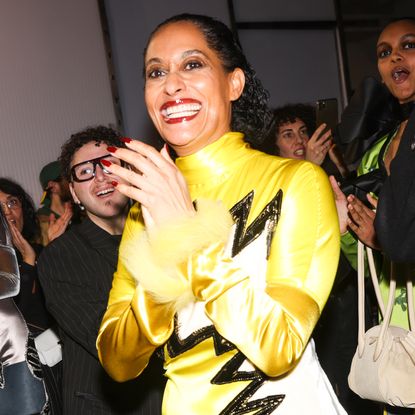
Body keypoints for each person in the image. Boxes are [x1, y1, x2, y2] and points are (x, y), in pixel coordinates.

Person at [97, 14, 345, 414]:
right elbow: (117, 361)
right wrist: (166, 258)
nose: (172, 84)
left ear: (234, 83)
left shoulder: (297, 181)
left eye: (192, 65)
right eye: (156, 72)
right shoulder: (146, 207)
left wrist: (186, 235)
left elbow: (278, 347)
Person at [37, 126, 165, 415]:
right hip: (107, 405)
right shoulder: (60, 256)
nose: (101, 177)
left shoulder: (161, 229)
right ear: (74, 193)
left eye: (109, 163)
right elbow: (110, 341)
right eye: (85, 172)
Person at [331, 17, 415, 415]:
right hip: (397, 324)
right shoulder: (377, 150)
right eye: (384, 52)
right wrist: (349, 228)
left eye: (409, 45)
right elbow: (363, 262)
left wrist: (388, 239)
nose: (395, 55)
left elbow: (395, 237)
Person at [0, 189, 48, 414]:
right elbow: (19, 321)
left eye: (12, 202)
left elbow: (49, 320)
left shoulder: (46, 253)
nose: (6, 212)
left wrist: (40, 256)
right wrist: (28, 264)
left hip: (52, 366)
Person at [263, 103, 348, 178]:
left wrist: (341, 166)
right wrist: (310, 166)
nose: (300, 140)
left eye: (303, 131)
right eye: (288, 135)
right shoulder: (273, 179)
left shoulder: (325, 170)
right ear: (274, 144)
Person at [37, 160, 74, 246]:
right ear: (53, 186)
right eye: (68, 178)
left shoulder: (82, 213)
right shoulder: (41, 223)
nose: (73, 182)